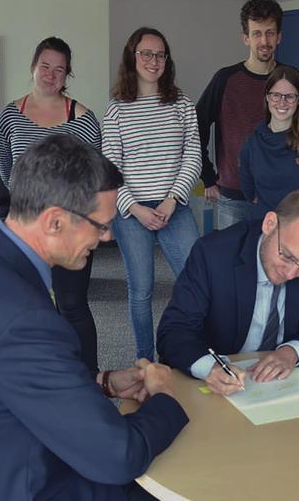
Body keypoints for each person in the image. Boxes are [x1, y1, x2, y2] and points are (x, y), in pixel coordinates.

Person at [0, 134, 189, 501]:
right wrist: (164, 397)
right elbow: (118, 457)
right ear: (54, 222)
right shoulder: (20, 317)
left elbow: (0, 372)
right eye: (100, 225)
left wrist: (103, 382)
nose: (106, 237)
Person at [156, 190, 299, 396]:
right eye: (287, 256)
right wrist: (211, 368)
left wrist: (291, 353)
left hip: (284, 386)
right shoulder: (213, 254)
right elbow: (174, 330)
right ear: (270, 224)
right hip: (219, 388)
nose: (291, 273)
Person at [0, 37, 102, 372]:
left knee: (72, 305)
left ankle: (88, 379)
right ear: (33, 66)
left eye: (60, 69)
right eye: (45, 66)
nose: (51, 74)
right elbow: (4, 167)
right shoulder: (10, 115)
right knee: (31, 307)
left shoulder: (83, 118)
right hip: (26, 229)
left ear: (67, 74)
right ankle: (46, 376)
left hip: (71, 227)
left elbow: (97, 175)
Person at [103, 27, 202, 361]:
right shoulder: (117, 108)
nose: (153, 61)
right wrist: (134, 208)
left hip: (175, 206)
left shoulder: (182, 103)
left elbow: (193, 156)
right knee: (141, 290)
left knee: (196, 282)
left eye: (160, 54)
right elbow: (110, 165)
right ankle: (145, 359)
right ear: (133, 57)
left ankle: (192, 352)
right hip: (132, 213)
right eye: (146, 53)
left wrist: (173, 199)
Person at [197, 0, 299, 229]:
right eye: (257, 33)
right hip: (235, 197)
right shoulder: (225, 79)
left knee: (279, 263)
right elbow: (196, 127)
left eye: (270, 32)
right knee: (235, 262)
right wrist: (208, 176)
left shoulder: (290, 78)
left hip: (283, 196)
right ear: (245, 38)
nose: (264, 40)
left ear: (279, 37)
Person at [239, 65, 299, 220]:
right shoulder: (252, 144)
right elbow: (248, 189)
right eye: (276, 95)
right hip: (264, 227)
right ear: (267, 97)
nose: (282, 103)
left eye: (290, 96)